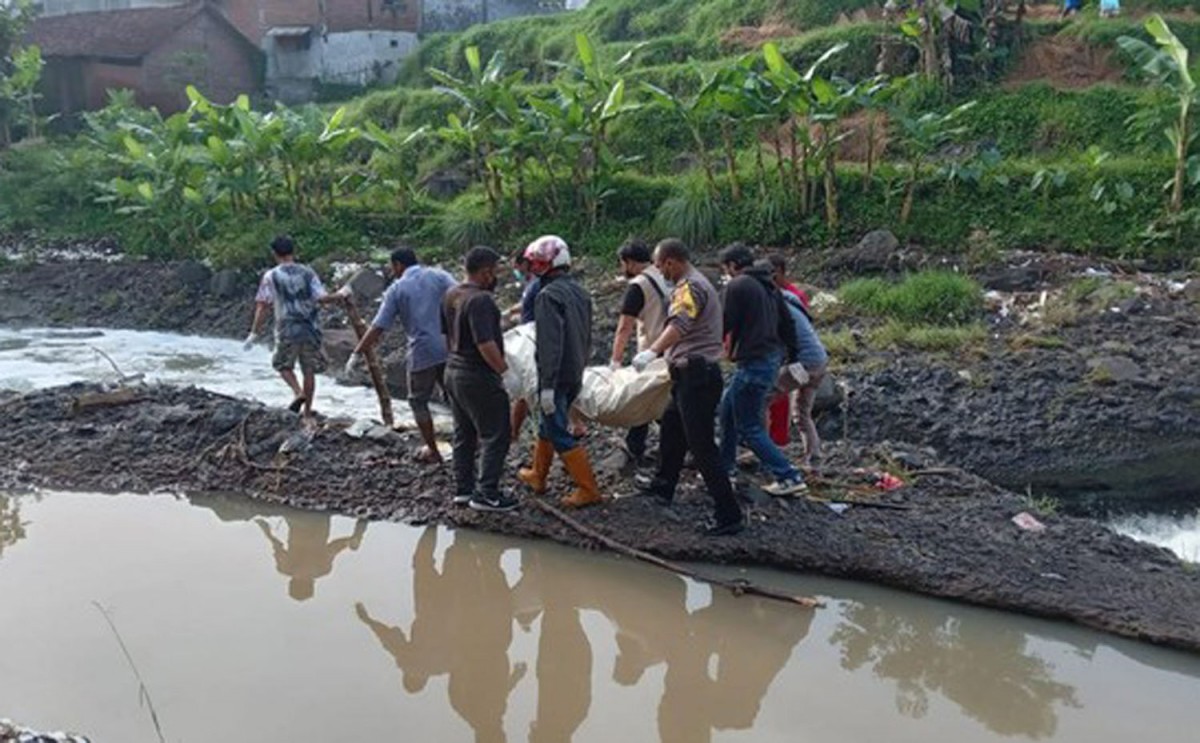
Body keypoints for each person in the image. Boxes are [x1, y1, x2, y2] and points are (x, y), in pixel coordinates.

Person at [632, 238, 744, 537]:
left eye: (660, 266)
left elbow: (679, 324)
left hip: (697, 375)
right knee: (672, 429)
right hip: (690, 375)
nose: (660, 272)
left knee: (701, 445)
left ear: (671, 262)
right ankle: (663, 486)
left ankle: (728, 513)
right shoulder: (697, 283)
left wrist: (651, 351)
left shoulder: (690, 287)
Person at [345, 247, 456, 464]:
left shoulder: (397, 289)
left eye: (392, 267)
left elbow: (378, 326)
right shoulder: (440, 276)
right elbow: (461, 296)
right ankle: (471, 439)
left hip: (423, 351)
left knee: (418, 401)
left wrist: (357, 353)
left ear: (398, 265)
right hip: (450, 347)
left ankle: (433, 450)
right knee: (456, 397)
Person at [516, 235, 601, 509]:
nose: (534, 268)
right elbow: (586, 336)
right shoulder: (580, 292)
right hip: (574, 370)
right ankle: (538, 475)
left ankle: (589, 489)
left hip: (556, 375)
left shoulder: (547, 296)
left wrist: (548, 385)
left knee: (558, 432)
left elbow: (549, 344)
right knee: (547, 425)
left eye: (537, 263)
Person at [716, 243, 806, 497]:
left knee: (748, 425)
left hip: (753, 361)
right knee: (727, 409)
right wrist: (793, 356)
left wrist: (706, 350)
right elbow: (787, 322)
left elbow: (723, 323)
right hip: (770, 358)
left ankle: (787, 475)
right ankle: (725, 468)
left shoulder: (738, 285)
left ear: (732, 265)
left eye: (726, 269)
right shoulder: (769, 285)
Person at [441, 246, 518, 512]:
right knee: (496, 433)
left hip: (453, 370)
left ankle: (463, 489)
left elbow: (447, 336)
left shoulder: (451, 295)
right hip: (477, 374)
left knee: (464, 433)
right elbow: (485, 343)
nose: (496, 277)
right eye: (495, 272)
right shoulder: (481, 300)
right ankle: (487, 493)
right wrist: (505, 372)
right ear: (485, 272)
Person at [245, 235, 342, 416]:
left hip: (286, 328)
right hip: (310, 327)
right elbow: (321, 298)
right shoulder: (308, 273)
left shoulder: (271, 276)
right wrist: (341, 295)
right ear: (293, 251)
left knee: (282, 365)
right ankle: (307, 412)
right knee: (309, 370)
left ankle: (298, 392)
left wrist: (254, 333)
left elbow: (262, 306)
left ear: (274, 253)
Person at [609, 237, 672, 467]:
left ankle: (641, 447)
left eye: (622, 263)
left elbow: (624, 327)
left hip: (652, 351)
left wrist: (615, 361)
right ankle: (637, 444)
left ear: (629, 262)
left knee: (645, 400)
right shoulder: (666, 276)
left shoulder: (638, 285)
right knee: (655, 400)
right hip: (673, 347)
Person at [776, 274, 829, 465]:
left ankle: (764, 453)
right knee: (801, 413)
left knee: (762, 397)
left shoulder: (776, 305)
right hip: (819, 360)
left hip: (803, 363)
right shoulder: (791, 299)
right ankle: (814, 457)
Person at [765, 253, 809, 447]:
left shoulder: (792, 295)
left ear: (781, 272)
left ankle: (778, 439)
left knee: (782, 398)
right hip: (780, 351)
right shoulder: (781, 293)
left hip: (789, 353)